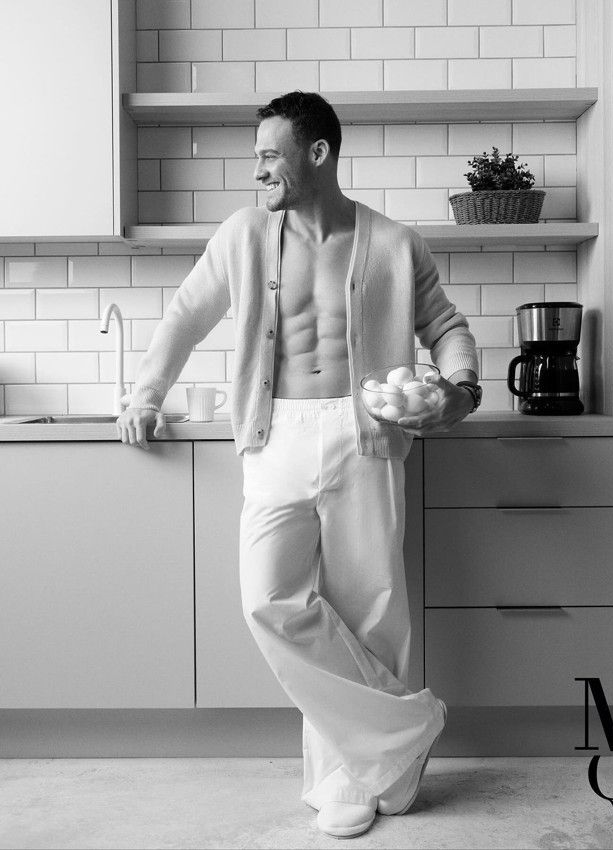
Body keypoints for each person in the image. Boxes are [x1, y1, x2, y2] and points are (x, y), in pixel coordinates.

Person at [116, 90, 481, 839]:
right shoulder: (244, 235)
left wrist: (459, 389)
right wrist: (146, 393)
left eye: (268, 156)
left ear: (317, 154)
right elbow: (186, 314)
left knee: (370, 608)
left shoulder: (392, 242)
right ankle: (404, 729)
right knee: (267, 598)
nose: (257, 171)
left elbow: (445, 326)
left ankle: (360, 779)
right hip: (274, 432)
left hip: (364, 430)